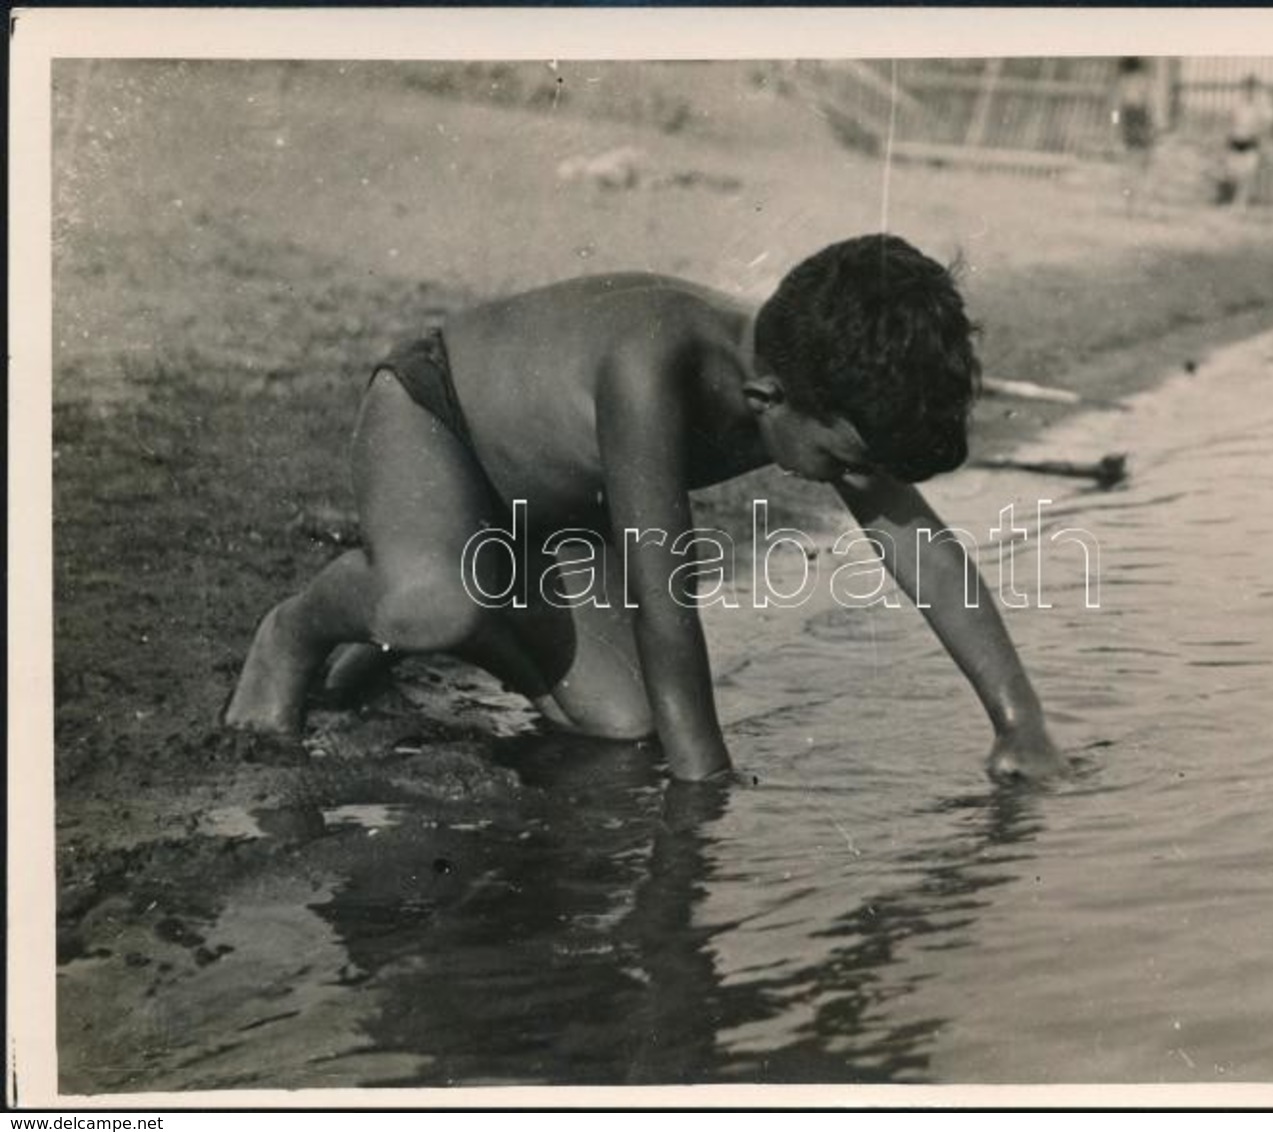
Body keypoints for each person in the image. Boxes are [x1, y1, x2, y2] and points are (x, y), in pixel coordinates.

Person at [225, 235, 1065, 785]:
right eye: (848, 463)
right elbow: (667, 601)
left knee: (624, 725)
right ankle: (298, 630)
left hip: (551, 507)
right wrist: (705, 786)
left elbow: (921, 547)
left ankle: (430, 601)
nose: (856, 482)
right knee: (434, 603)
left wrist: (1020, 724)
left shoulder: (804, 383)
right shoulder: (653, 366)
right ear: (770, 398)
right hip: (436, 420)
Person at [1220, 74, 1273, 208]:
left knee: (1247, 174)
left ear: (1258, 90)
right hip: (1235, 140)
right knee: (1233, 172)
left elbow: (1264, 126)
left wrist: (1264, 142)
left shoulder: (1263, 107)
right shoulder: (1237, 105)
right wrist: (1226, 139)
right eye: (1247, 88)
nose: (1250, 92)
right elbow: (1229, 122)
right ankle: (1229, 198)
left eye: (1253, 89)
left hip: (1251, 142)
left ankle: (1240, 202)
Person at [1112, 57, 1157, 215]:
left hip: (1128, 128)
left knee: (1130, 168)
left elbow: (1116, 112)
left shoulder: (1122, 85)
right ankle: (1143, 207)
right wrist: (1152, 128)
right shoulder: (1144, 84)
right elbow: (1151, 109)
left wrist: (1116, 128)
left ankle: (1129, 207)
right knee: (1145, 168)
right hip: (1142, 126)